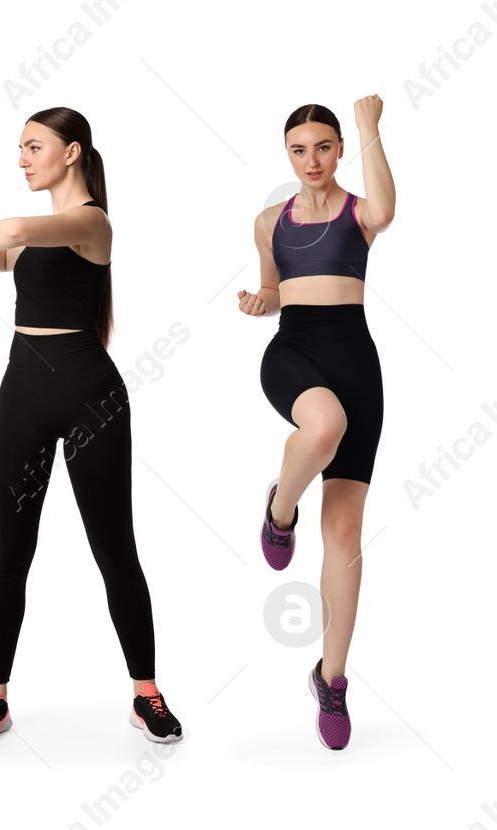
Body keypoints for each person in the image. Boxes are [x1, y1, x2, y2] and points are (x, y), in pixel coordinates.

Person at [0, 106, 183, 748]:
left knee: (115, 550)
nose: (21, 158)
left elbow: (18, 228)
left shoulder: (89, 223)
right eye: (19, 149)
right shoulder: (41, 233)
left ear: (72, 152)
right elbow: (8, 256)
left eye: (32, 147)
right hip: (22, 393)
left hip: (91, 399)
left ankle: (147, 693)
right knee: (10, 551)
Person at [238, 96, 395, 750]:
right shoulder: (269, 221)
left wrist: (369, 127)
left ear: (338, 149)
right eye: (300, 150)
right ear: (288, 154)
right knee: (321, 424)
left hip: (356, 359)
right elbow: (275, 289)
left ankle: (331, 678)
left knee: (346, 531)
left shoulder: (360, 214)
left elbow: (386, 210)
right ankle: (280, 509)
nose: (312, 160)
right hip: (294, 353)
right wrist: (260, 300)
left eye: (324, 147)